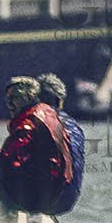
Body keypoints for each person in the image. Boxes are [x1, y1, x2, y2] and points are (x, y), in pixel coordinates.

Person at [0, 76, 73, 213]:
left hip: (33, 197)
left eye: (15, 98)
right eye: (8, 100)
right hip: (52, 195)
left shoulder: (28, 122)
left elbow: (10, 160)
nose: (10, 105)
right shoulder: (48, 114)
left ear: (30, 97)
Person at [36, 73, 85, 214]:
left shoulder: (36, 120)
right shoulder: (75, 126)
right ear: (59, 101)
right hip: (68, 202)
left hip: (45, 199)